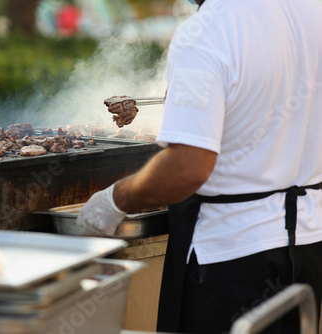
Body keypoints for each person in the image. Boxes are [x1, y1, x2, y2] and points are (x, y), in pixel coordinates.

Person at [76, 0, 322, 333]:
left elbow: (187, 168)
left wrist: (112, 201)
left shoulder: (207, 29)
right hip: (310, 247)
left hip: (230, 259)